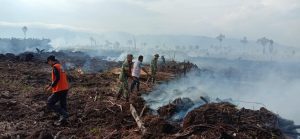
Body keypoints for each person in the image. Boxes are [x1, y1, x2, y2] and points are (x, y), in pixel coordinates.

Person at [45, 55, 69, 125]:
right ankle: (64, 121)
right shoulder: (60, 66)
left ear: (50, 61)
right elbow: (59, 78)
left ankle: (64, 114)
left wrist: (51, 87)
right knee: (63, 104)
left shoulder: (55, 67)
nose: (48, 64)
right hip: (65, 88)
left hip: (59, 89)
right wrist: (50, 85)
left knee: (49, 103)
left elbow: (57, 78)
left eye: (48, 62)